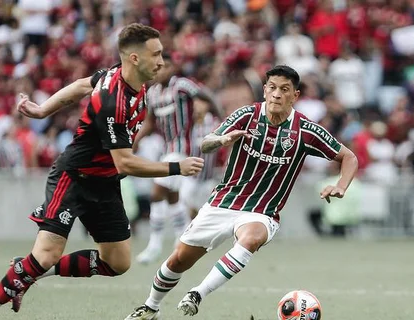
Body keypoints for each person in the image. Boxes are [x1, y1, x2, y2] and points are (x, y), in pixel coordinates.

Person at [0, 23, 205, 320]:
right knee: (46, 254)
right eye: (156, 54)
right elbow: (125, 163)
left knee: (117, 263)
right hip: (74, 178)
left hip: (104, 184)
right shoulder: (114, 102)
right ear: (134, 58)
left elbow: (81, 84)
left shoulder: (129, 79)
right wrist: (176, 167)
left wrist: (43, 110)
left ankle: (26, 272)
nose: (161, 61)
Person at [123, 65, 358, 320]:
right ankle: (151, 307)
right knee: (179, 259)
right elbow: (206, 142)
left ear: (295, 96)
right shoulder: (247, 115)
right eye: (272, 88)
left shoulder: (305, 130)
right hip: (224, 203)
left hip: (263, 211)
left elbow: (349, 157)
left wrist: (340, 185)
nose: (277, 94)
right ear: (265, 90)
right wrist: (222, 140)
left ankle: (197, 293)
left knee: (251, 237)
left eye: (284, 90)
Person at [133, 53, 221, 264]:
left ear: (172, 68)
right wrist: (135, 142)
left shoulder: (182, 85)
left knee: (156, 193)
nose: (160, 70)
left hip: (184, 149)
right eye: (157, 66)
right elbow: (150, 122)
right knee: (172, 196)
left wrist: (221, 120)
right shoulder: (152, 93)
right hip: (167, 149)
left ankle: (154, 246)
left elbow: (205, 95)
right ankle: (181, 239)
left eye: (164, 66)